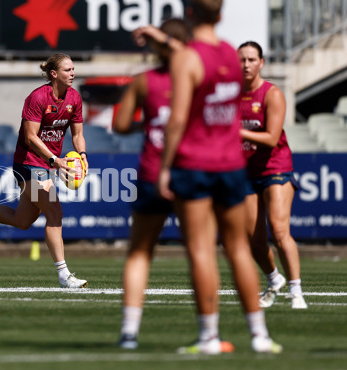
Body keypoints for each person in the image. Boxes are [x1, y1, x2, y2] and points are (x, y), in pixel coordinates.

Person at [157, 0, 282, 354]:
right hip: (230, 165)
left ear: (189, 13)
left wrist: (165, 167)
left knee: (201, 251)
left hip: (196, 163)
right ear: (221, 14)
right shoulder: (230, 55)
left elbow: (178, 119)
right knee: (239, 249)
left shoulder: (187, 57)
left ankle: (209, 337)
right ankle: (260, 336)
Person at [0, 53, 88, 289]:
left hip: (47, 164)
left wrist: (83, 157)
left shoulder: (74, 97)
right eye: (67, 70)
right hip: (28, 163)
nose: (72, 73)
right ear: (54, 74)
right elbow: (30, 137)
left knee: (22, 221)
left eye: (73, 69)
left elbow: (77, 135)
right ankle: (64, 275)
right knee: (54, 211)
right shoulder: (37, 98)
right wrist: (55, 159)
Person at [112, 20, 192, 349]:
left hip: (151, 170)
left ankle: (129, 332)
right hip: (190, 171)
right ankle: (209, 333)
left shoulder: (143, 82)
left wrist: (150, 122)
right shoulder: (197, 77)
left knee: (140, 253)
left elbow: (119, 124)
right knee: (200, 251)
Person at [238, 41, 307, 309]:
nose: (246, 65)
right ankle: (274, 279)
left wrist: (236, 132)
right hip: (246, 172)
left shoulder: (271, 94)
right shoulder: (231, 96)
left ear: (261, 63)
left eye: (251, 59)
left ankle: (296, 291)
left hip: (275, 168)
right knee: (252, 239)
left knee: (279, 231)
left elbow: (271, 138)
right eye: (242, 60)